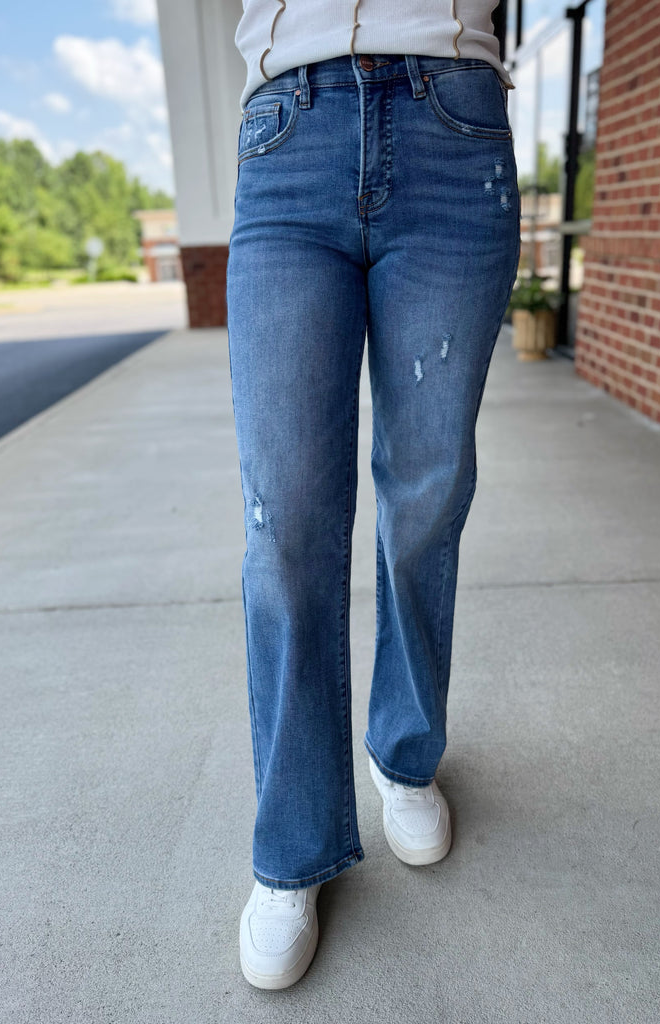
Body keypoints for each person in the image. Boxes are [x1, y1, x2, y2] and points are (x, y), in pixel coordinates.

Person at [227, 0, 520, 990]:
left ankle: (403, 752)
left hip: (454, 126)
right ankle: (293, 841)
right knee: (285, 520)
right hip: (290, 130)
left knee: (427, 492)